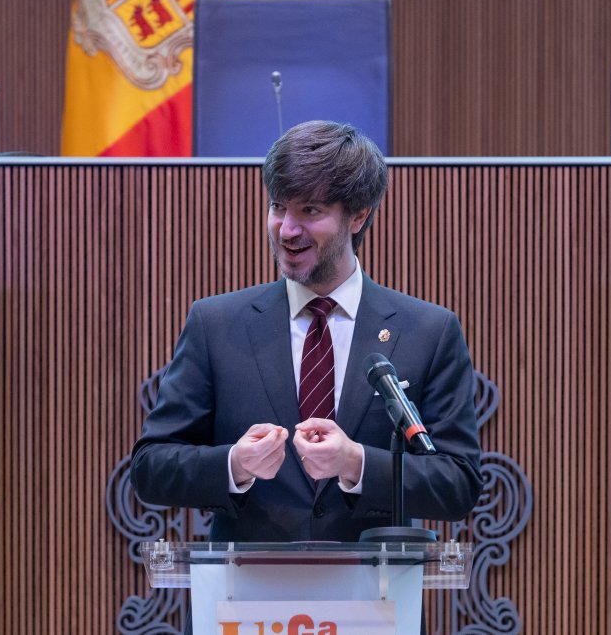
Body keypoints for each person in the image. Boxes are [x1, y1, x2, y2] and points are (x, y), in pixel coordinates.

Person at [131, 120, 481, 543]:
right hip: (245, 602)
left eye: (310, 211)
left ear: (359, 216)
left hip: (374, 598)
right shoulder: (216, 324)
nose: (287, 229)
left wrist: (355, 463)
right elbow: (151, 468)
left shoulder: (429, 331)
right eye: (279, 206)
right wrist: (235, 464)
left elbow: (458, 483)